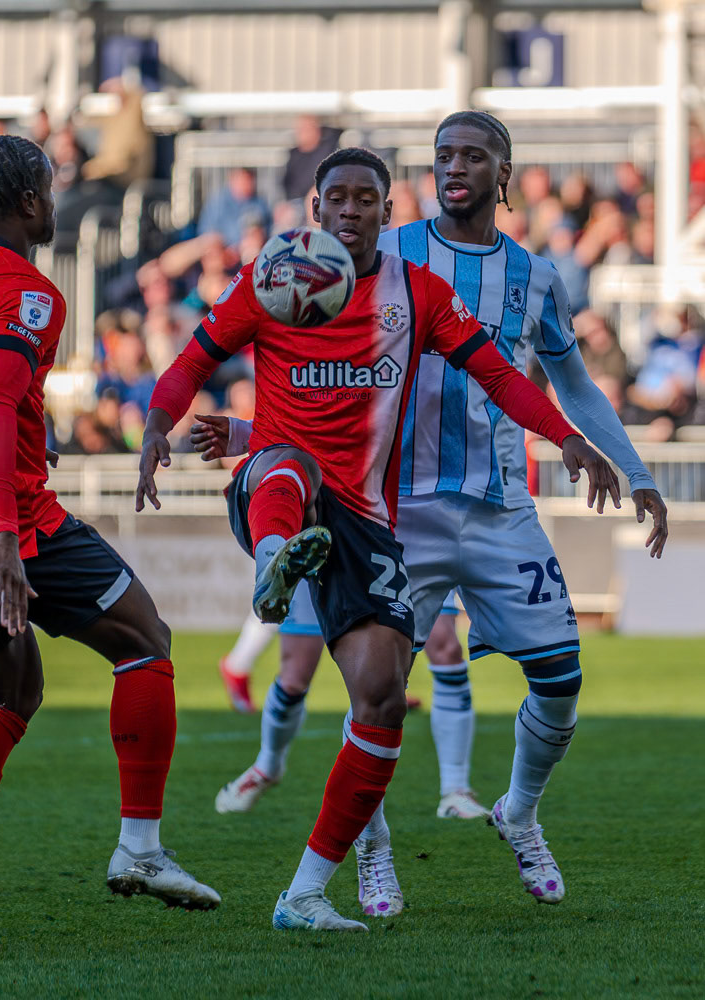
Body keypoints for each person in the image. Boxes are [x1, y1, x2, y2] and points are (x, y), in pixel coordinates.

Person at [191, 114, 669, 919]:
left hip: (499, 507)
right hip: (395, 510)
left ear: (503, 174)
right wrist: (252, 434)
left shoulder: (535, 276)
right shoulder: (379, 251)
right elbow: (311, 367)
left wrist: (636, 469)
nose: (455, 168)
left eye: (473, 156)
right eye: (444, 155)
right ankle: (372, 849)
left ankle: (519, 812)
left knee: (561, 679)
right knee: (376, 692)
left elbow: (572, 387)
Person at [0, 135, 219, 951]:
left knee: (11, 692)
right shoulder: (30, 295)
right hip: (8, 522)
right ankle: (140, 850)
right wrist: (4, 535)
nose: (54, 197)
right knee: (145, 640)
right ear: (30, 202)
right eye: (49, 185)